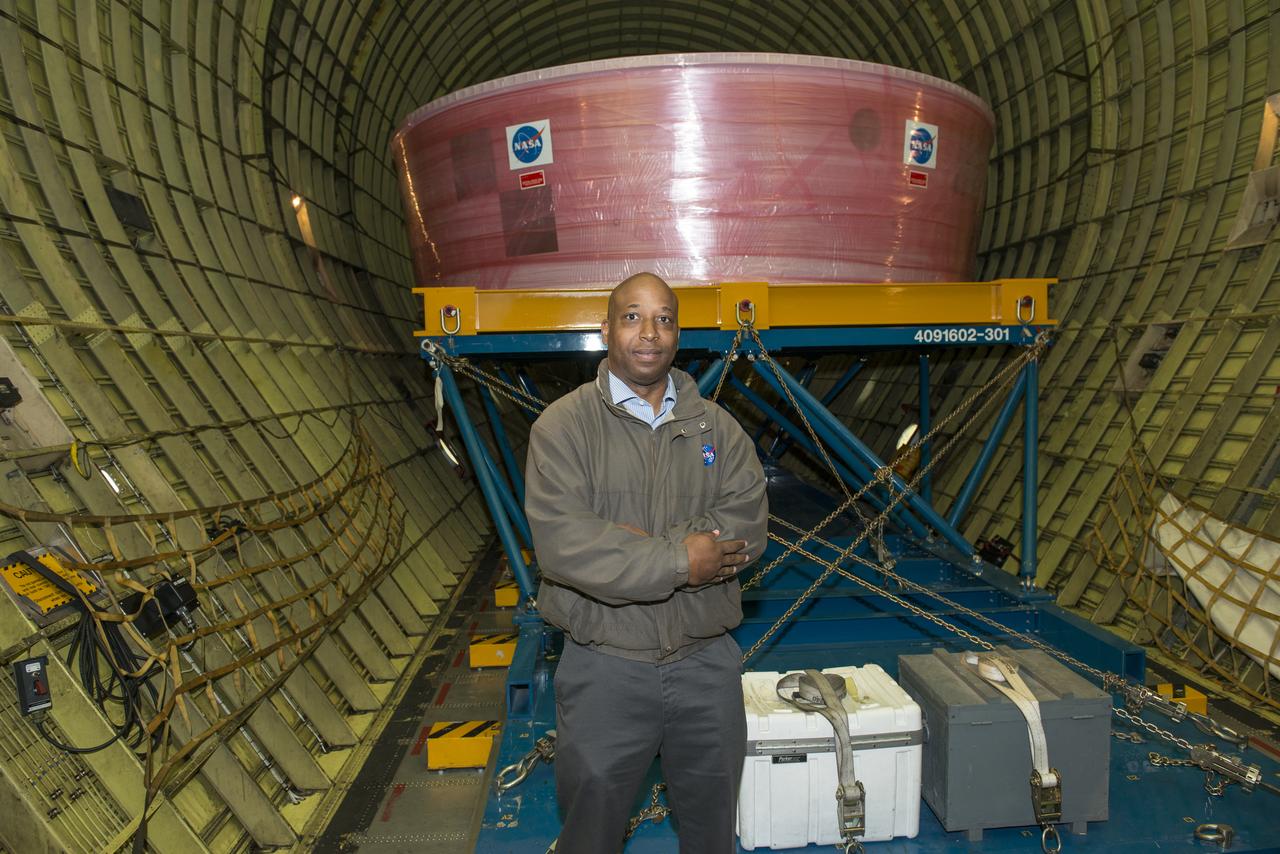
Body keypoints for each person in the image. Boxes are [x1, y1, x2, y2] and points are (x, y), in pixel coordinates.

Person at [524, 271, 769, 853]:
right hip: (606, 666)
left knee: (712, 830)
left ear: (678, 333)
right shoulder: (564, 427)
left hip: (705, 664)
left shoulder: (718, 429)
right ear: (606, 328)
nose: (648, 332)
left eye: (663, 318)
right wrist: (683, 558)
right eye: (632, 316)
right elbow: (567, 545)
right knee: (592, 829)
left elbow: (746, 527)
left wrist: (632, 545)